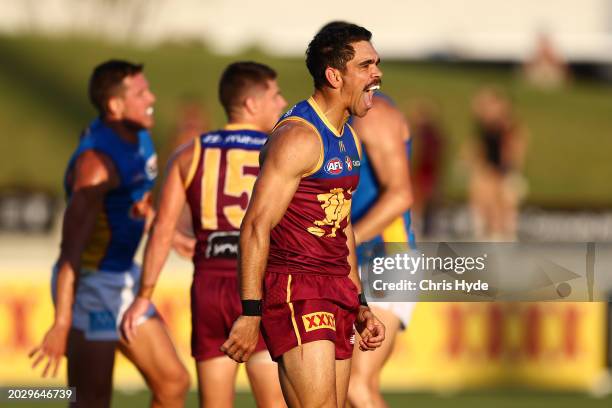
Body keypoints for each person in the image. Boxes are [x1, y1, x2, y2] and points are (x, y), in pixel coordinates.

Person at [221, 23, 386, 408]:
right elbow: (256, 225)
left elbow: (340, 223)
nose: (377, 74)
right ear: (334, 75)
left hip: (336, 289)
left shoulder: (349, 137)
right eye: (365, 66)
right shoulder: (299, 137)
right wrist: (250, 311)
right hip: (298, 289)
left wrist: (360, 301)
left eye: (377, 63)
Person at [121, 61, 288, 408]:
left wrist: (144, 295)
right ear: (251, 103)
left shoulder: (190, 153)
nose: (282, 103)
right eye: (275, 95)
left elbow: (163, 230)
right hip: (261, 285)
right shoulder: (281, 149)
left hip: (210, 287)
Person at [28, 60, 190, 408]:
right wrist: (62, 322)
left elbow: (135, 202)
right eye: (141, 93)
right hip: (91, 286)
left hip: (123, 277)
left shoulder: (140, 137)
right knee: (91, 399)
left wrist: (166, 233)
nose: (153, 97)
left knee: (173, 382)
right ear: (115, 106)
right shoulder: (95, 166)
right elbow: (71, 249)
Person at [347, 91, 416, 408]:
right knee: (354, 385)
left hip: (386, 258)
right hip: (363, 260)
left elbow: (401, 195)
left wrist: (346, 241)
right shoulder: (340, 116)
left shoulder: (373, 113)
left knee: (354, 384)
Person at [469, 87, 528, 240]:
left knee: (503, 205)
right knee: (483, 199)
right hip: (489, 169)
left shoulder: (509, 126)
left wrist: (513, 172)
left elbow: (515, 149)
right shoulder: (485, 125)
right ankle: (487, 234)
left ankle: (504, 235)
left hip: (503, 170)